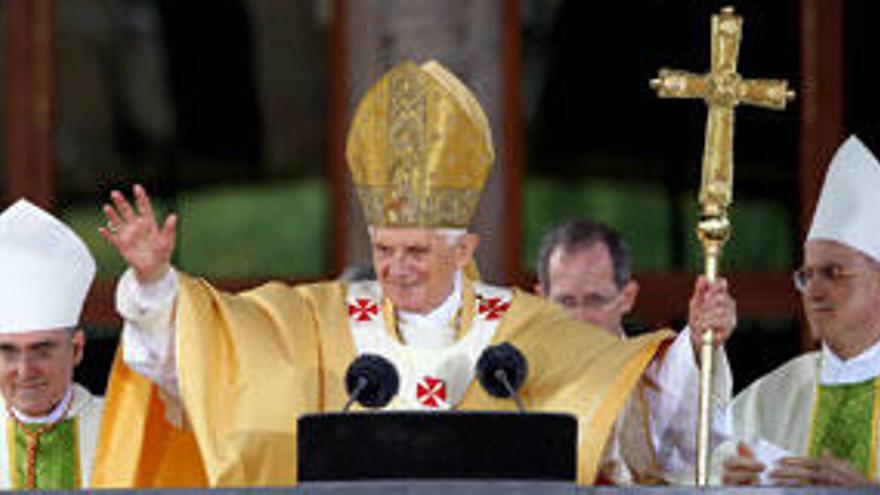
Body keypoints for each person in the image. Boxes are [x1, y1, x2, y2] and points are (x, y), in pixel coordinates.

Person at [92, 60, 710, 487]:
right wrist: (154, 282)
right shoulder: (316, 320)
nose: (395, 268)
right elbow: (203, 351)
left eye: (416, 252)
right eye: (384, 249)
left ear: (465, 250)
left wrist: (697, 345)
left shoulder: (528, 332)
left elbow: (641, 406)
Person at [719, 136, 880, 487]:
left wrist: (865, 493)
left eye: (833, 273)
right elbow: (692, 473)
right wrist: (730, 486)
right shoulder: (771, 395)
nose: (815, 292)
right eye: (806, 275)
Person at [536, 219, 736, 483]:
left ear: (627, 297)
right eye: (566, 302)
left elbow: (690, 436)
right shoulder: (514, 378)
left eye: (596, 300)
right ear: (541, 299)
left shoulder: (650, 372)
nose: (581, 318)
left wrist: (700, 342)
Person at [0, 199, 102, 489]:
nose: (24, 370)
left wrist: (153, 283)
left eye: (41, 351)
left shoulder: (119, 429)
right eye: (7, 352)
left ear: (76, 349)